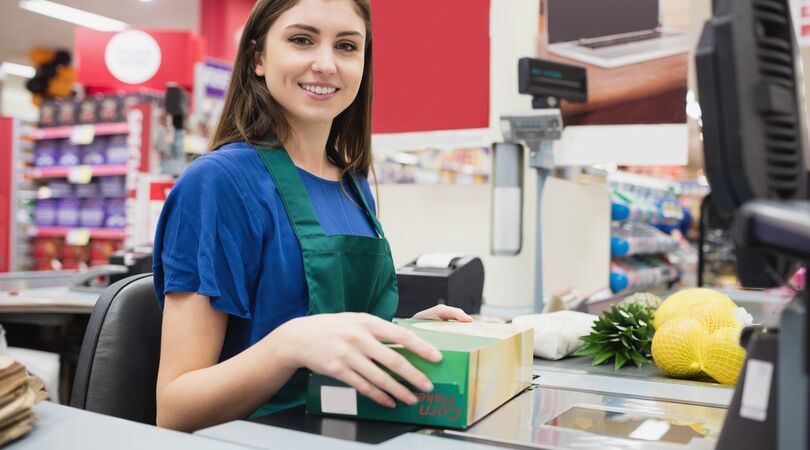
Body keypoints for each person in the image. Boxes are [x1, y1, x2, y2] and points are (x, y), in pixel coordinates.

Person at [152, 0, 472, 432]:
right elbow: (174, 409)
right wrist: (288, 345)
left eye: (346, 46)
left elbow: (332, 335)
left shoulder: (353, 184)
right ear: (258, 58)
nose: (326, 64)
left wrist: (399, 334)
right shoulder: (218, 184)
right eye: (302, 40)